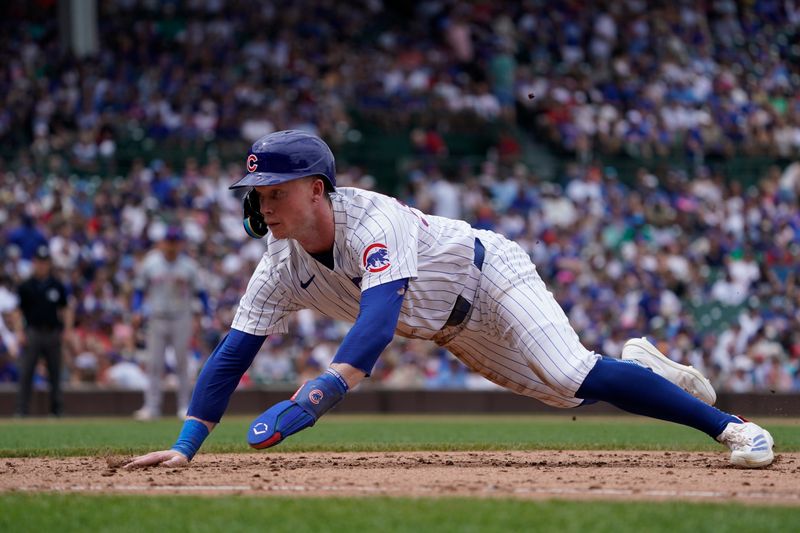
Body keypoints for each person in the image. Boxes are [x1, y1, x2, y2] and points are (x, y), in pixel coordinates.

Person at [125, 130, 775, 470]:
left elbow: (377, 325)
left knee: (570, 370)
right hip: (451, 329)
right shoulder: (278, 267)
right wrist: (185, 445)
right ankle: (647, 368)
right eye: (257, 193)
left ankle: (735, 428)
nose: (263, 203)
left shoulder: (372, 222)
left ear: (318, 188)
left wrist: (314, 397)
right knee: (570, 393)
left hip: (489, 272)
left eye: (276, 190)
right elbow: (231, 355)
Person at [131, 227, 211, 420]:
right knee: (154, 364)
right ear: (163, 242)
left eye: (175, 241)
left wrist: (207, 314)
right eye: (169, 241)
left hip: (181, 317)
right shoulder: (151, 263)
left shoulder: (188, 266)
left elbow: (201, 292)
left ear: (180, 243)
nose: (172, 245)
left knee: (182, 364)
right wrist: (136, 309)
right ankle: (151, 407)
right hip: (157, 317)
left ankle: (185, 407)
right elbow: (139, 290)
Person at [15, 245, 73, 417]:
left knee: (55, 373)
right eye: (39, 262)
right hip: (33, 332)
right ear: (34, 262)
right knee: (27, 372)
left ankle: (56, 410)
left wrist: (67, 330)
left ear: (49, 263)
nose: (42, 265)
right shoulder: (26, 285)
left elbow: (66, 308)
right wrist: (20, 332)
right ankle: (22, 410)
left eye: (45, 262)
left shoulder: (56, 284)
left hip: (52, 332)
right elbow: (19, 311)